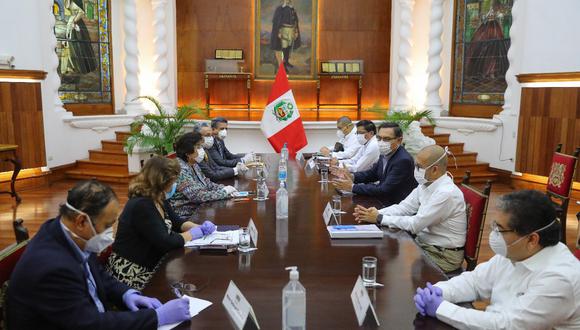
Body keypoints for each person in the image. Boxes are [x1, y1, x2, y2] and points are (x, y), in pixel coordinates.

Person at [6, 180, 191, 329]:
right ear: (81, 221)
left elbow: (97, 274)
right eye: (107, 225)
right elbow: (89, 323)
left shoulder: (66, 233)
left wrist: (127, 293)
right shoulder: (53, 268)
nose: (110, 232)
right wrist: (156, 318)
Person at [414, 190, 580, 329]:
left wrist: (441, 308)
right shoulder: (515, 251)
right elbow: (474, 282)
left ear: (532, 239)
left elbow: (507, 325)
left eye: (500, 229)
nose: (493, 235)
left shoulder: (559, 279)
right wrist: (441, 291)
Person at [106, 156, 216, 290]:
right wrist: (193, 234)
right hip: (132, 271)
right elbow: (166, 241)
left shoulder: (158, 196)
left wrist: (199, 227)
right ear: (161, 181)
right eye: (172, 181)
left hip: (152, 262)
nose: (174, 185)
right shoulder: (141, 204)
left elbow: (177, 222)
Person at [354, 145, 466, 272]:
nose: (415, 170)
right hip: (426, 245)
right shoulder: (425, 185)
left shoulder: (446, 193)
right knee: (384, 256)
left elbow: (415, 224)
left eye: (419, 167)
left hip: (443, 255)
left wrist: (380, 218)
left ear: (435, 170)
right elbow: (404, 208)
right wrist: (374, 213)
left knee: (391, 264)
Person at [332, 122, 416, 207]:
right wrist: (352, 176)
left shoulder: (403, 160)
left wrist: (352, 187)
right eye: (379, 138)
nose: (382, 142)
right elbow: (372, 174)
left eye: (386, 139)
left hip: (395, 205)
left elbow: (384, 189)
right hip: (382, 199)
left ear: (399, 140)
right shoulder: (385, 152)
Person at [169, 132, 237, 219]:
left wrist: (223, 187)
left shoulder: (193, 164)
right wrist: (224, 192)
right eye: (198, 147)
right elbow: (196, 196)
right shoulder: (180, 169)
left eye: (201, 146)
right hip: (186, 216)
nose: (202, 150)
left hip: (200, 209)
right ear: (187, 152)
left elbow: (206, 183)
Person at [270, 0, 301, 72]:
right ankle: (283, 65)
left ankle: (286, 61)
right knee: (283, 47)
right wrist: (279, 32)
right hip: (283, 30)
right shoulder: (280, 9)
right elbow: (276, 21)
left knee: (289, 47)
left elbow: (296, 21)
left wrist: (296, 31)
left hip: (291, 30)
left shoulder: (292, 9)